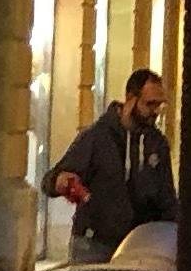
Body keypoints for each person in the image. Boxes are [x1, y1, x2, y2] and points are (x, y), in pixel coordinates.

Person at [48, 68, 175, 259]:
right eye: (150, 104)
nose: (155, 112)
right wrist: (61, 181)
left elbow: (166, 197)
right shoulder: (97, 137)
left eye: (159, 105)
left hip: (139, 246)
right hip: (94, 243)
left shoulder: (156, 143)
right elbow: (52, 179)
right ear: (131, 99)